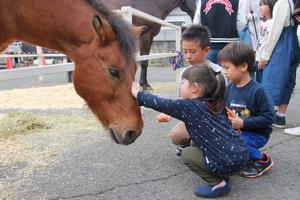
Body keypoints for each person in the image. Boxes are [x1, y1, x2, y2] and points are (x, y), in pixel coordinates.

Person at [131, 65, 249, 198]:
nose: (180, 86)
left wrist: (137, 93)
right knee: (194, 143)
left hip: (227, 161)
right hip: (241, 156)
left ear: (194, 87)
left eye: (182, 82)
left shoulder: (189, 106)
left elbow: (159, 102)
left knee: (187, 154)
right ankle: (223, 171)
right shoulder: (215, 102)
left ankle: (219, 183)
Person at [156, 25, 226, 156]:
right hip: (193, 117)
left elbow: (224, 101)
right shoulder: (185, 73)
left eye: (193, 52)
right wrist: (169, 112)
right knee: (176, 136)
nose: (188, 56)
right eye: (185, 51)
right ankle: (187, 143)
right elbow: (183, 100)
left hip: (214, 119)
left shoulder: (218, 72)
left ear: (206, 50)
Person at [218, 42, 275, 178]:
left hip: (257, 133)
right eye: (223, 68)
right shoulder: (229, 89)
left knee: (234, 142)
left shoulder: (258, 91)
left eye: (227, 67)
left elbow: (269, 117)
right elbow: (224, 111)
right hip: (237, 131)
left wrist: (243, 124)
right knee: (221, 139)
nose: (224, 72)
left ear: (243, 66)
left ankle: (262, 159)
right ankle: (244, 155)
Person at [259, 0, 300, 128]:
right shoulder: (292, 2)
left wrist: (265, 55)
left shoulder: (282, 3)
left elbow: (275, 30)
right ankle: (280, 116)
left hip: (282, 43)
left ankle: (265, 117)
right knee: (288, 80)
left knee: (271, 79)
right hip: (293, 41)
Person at [255, 0, 277, 83]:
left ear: (270, 6)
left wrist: (262, 60)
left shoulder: (272, 23)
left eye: (262, 5)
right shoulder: (263, 23)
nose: (259, 8)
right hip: (259, 58)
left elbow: (269, 42)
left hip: (265, 61)